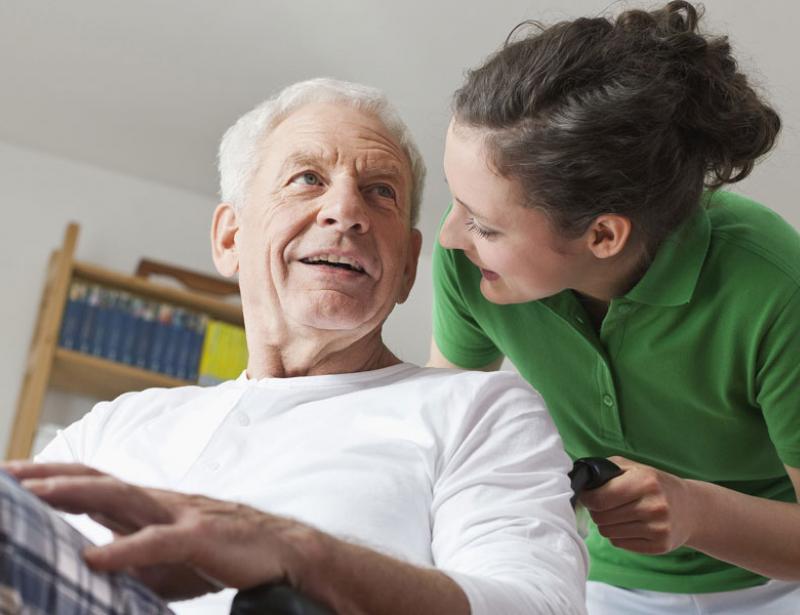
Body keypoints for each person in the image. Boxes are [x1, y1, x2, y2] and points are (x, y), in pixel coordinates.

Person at [2, 78, 588, 615]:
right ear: (231, 237)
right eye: (307, 178)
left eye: (380, 192)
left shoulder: (479, 410)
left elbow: (539, 606)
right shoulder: (112, 428)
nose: (345, 212)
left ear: (409, 266)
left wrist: (299, 553)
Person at [427, 1, 800, 613]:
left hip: (776, 585)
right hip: (600, 579)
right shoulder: (472, 262)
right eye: (457, 200)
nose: (449, 236)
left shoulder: (775, 288)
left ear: (603, 236)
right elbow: (443, 441)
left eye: (485, 224)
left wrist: (695, 511)